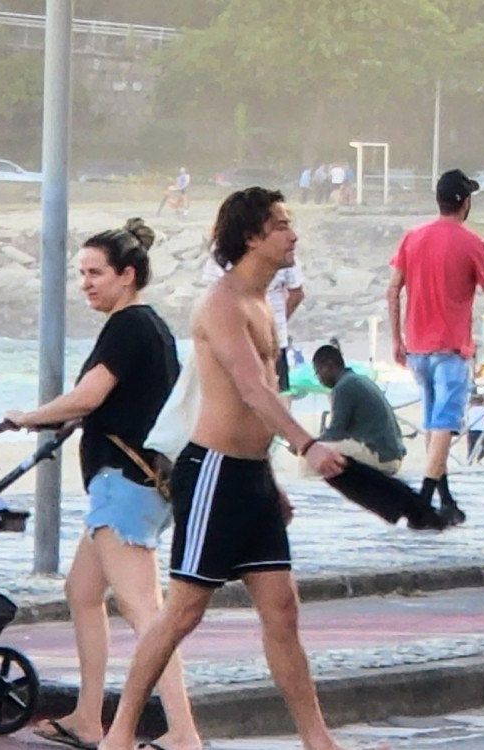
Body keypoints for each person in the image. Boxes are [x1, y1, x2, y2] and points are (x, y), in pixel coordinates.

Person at [99, 189, 348, 750]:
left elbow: (261, 401)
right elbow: (251, 388)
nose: (293, 235)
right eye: (282, 225)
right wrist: (307, 445)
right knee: (182, 612)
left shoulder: (266, 302)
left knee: (282, 609)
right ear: (253, 237)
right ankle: (117, 737)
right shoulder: (222, 303)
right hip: (211, 472)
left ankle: (318, 741)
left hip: (251, 475)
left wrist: (273, 478)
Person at [5, 219, 201, 750]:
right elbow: (117, 401)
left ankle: (183, 732)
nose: (86, 283)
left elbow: (89, 397)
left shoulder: (130, 326)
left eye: (96, 273)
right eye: (82, 274)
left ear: (127, 275)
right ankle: (89, 716)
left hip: (123, 486)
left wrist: (30, 417)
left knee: (146, 613)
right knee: (83, 591)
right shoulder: (149, 328)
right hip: (133, 485)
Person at [387, 169, 484, 527]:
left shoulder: (413, 239)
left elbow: (393, 289)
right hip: (452, 348)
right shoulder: (473, 245)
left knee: (433, 422)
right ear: (466, 202)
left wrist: (397, 338)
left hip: (418, 348)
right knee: (444, 423)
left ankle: (446, 500)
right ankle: (424, 502)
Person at [204, 257, 304, 397]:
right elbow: (213, 295)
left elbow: (297, 293)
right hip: (236, 340)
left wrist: (275, 322)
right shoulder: (224, 253)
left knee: (277, 394)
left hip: (273, 340)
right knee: (238, 396)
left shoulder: (282, 252)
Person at [312, 344, 405, 475]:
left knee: (319, 455)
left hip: (381, 458)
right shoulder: (358, 379)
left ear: (329, 365)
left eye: (318, 372)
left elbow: (335, 433)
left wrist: (307, 445)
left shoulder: (344, 387)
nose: (319, 379)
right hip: (393, 454)